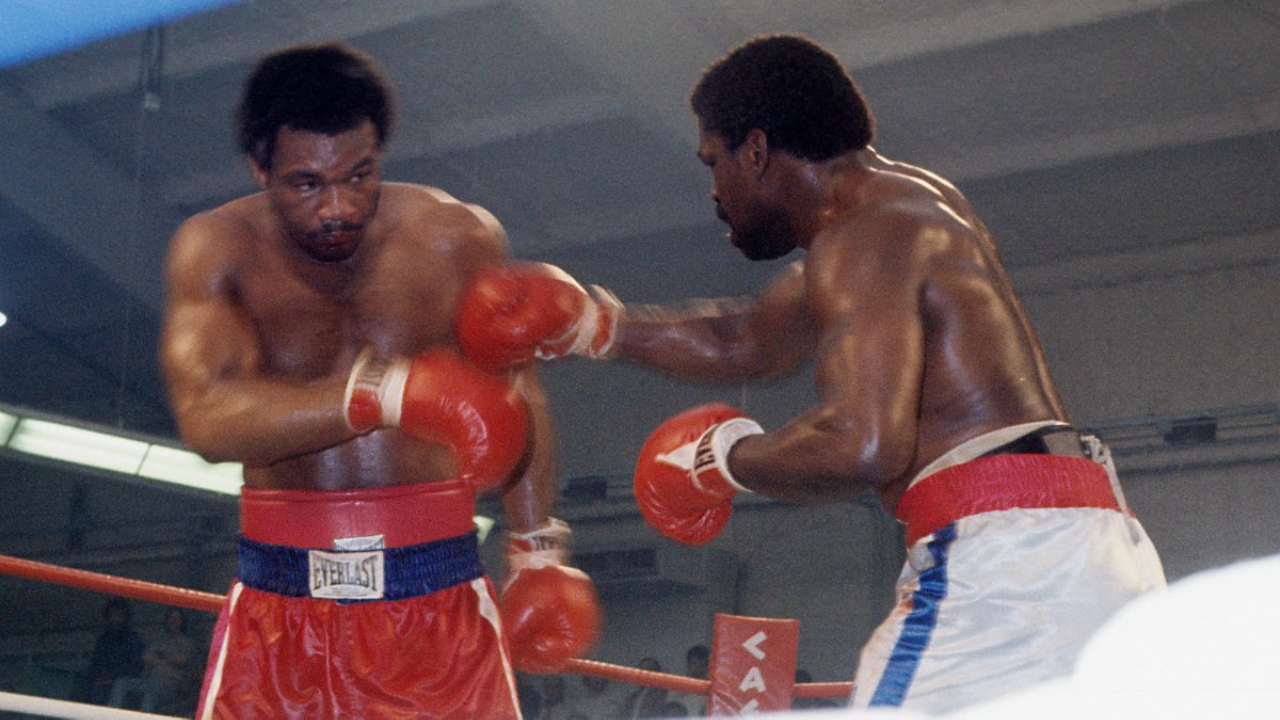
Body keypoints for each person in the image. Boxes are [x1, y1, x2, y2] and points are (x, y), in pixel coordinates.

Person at [452, 33, 1166, 714]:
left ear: (756, 151)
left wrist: (721, 461)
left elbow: (863, 443)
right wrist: (592, 327)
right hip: (1086, 542)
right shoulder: (900, 209)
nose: (714, 191)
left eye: (713, 163)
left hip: (1004, 561)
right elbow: (747, 340)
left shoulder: (864, 235)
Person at [159, 42, 600, 718]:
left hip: (436, 596)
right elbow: (207, 418)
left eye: (359, 175)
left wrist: (538, 550)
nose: (338, 207)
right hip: (280, 609)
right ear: (259, 168)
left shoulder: (454, 237)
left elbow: (517, 390)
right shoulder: (218, 250)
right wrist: (382, 394)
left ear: (380, 153)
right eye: (307, 184)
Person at [108, 607, 195, 712]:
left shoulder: (187, 642)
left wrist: (159, 656)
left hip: (170, 684)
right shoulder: (158, 639)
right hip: (149, 680)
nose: (173, 621)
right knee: (121, 683)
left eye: (176, 618)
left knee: (150, 693)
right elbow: (146, 657)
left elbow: (182, 660)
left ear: (182, 621)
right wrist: (168, 660)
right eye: (171, 618)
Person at [80, 598, 144, 706]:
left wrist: (113, 679)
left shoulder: (133, 639)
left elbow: (136, 666)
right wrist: (97, 677)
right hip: (100, 680)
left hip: (122, 683)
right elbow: (95, 662)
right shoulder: (103, 639)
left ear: (126, 617)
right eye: (113, 615)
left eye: (120, 615)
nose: (116, 619)